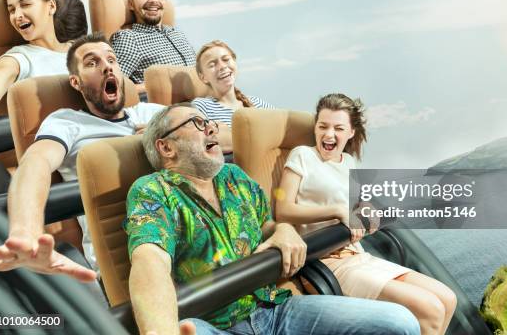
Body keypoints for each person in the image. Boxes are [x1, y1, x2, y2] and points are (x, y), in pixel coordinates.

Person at [126, 102, 421, 335]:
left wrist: (282, 230)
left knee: (400, 322)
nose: (211, 129)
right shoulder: (152, 191)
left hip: (274, 309)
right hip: (213, 323)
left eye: (210, 121)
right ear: (166, 147)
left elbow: (265, 224)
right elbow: (149, 261)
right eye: (198, 124)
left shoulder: (234, 177)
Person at [275, 93, 457, 335]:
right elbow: (283, 210)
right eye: (323, 126)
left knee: (447, 299)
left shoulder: (349, 162)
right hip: (325, 263)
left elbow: (360, 203)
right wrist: (336, 211)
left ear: (351, 132)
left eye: (338, 128)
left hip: (357, 255)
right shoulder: (303, 156)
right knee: (430, 309)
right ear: (315, 127)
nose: (329, 135)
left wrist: (366, 208)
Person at [0, 33, 164, 280]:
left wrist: (168, 135)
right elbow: (35, 162)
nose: (106, 67)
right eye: (92, 63)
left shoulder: (152, 113)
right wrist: (25, 232)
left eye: (111, 60)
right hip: (139, 261)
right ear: (76, 82)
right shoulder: (67, 122)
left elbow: (222, 135)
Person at [0, 0, 87, 105]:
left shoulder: (81, 49)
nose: (17, 15)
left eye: (26, 4)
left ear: (51, 6)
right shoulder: (19, 58)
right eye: (12, 10)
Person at [111, 0, 196, 94]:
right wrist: (160, 85)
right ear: (131, 4)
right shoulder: (128, 38)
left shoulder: (177, 33)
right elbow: (114, 86)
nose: (153, 0)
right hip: (174, 108)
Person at [193, 40, 273, 157]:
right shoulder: (201, 106)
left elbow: (283, 130)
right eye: (212, 64)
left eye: (226, 60)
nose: (222, 66)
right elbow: (197, 144)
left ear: (234, 62)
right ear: (203, 77)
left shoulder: (257, 103)